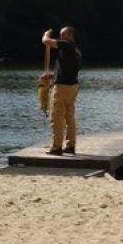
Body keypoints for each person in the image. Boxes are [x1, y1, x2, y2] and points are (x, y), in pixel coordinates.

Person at [42, 26, 81, 154]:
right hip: (73, 87)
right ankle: (70, 146)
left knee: (57, 117)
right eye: (60, 35)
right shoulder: (76, 50)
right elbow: (68, 70)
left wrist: (46, 34)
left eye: (63, 35)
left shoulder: (67, 45)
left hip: (62, 88)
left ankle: (57, 147)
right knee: (70, 117)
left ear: (70, 35)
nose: (61, 38)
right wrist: (52, 76)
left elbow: (46, 41)